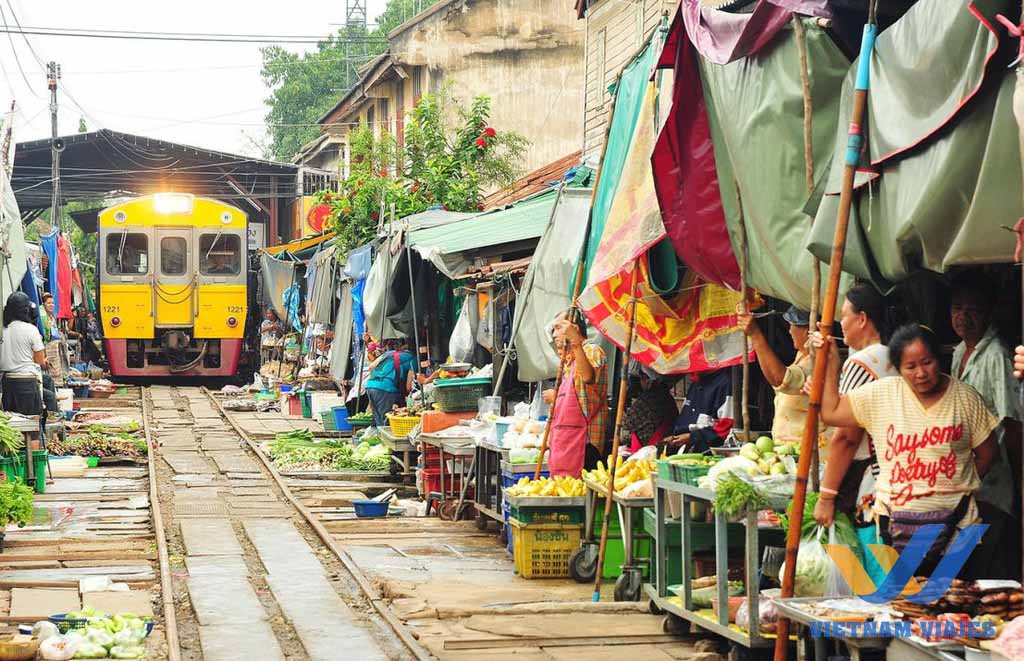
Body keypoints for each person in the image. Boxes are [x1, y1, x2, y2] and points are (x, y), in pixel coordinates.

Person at [816, 324, 1000, 577]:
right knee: (905, 607)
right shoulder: (882, 394)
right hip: (895, 526)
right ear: (898, 369)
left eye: (927, 362)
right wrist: (832, 363)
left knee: (953, 608)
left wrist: (953, 484)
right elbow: (831, 412)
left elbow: (989, 454)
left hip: (958, 528)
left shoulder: (965, 398)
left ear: (939, 359)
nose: (921, 373)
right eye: (911, 367)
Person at [813, 283, 898, 585]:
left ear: (862, 318)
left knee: (875, 579)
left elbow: (847, 435)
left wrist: (826, 495)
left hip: (873, 484)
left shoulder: (862, 362)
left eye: (844, 316)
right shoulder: (893, 356)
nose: (841, 323)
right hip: (898, 478)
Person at [948, 272, 1022, 578]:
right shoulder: (958, 353)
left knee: (986, 574)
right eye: (957, 309)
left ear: (987, 313)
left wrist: (1019, 482)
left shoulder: (996, 356)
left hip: (993, 485)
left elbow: (1013, 422)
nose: (963, 317)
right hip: (967, 485)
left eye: (973, 310)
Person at [738, 306, 829, 448]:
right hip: (790, 449)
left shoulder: (817, 359)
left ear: (807, 331)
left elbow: (781, 379)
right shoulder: (802, 355)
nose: (790, 331)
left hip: (811, 450)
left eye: (792, 326)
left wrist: (755, 334)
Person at [542, 310, 608, 477]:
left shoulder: (591, 350)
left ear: (574, 329)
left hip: (584, 447)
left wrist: (576, 342)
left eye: (558, 328)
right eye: (553, 330)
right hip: (565, 446)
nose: (554, 335)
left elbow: (588, 377)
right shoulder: (568, 363)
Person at [0, 292, 49, 416]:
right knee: (31, 424)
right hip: (26, 382)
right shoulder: (31, 330)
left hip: (7, 383)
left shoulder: (3, 330)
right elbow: (40, 360)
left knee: (13, 425)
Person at [662, 369, 732, 452]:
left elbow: (725, 430)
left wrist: (692, 437)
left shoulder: (725, 384)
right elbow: (685, 418)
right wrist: (673, 435)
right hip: (683, 449)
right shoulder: (697, 380)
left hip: (706, 452)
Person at [621, 366, 678, 452]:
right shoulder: (668, 398)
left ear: (646, 379)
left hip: (648, 451)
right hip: (667, 448)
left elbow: (625, 432)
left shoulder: (644, 401)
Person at [365, 338, 416, 427]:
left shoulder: (388, 353)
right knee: (386, 421)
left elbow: (371, 367)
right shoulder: (412, 358)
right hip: (386, 388)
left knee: (378, 421)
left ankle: (380, 438)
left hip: (370, 385)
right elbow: (408, 386)